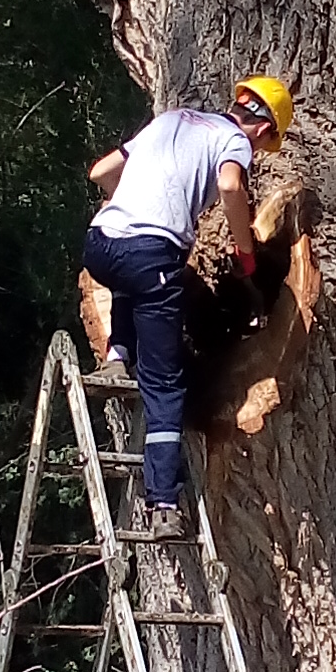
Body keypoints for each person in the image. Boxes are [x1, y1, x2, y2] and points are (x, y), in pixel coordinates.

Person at [84, 77, 293, 514]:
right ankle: (163, 504)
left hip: (101, 245)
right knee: (164, 385)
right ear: (263, 130)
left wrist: (136, 204)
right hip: (150, 254)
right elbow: (233, 187)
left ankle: (118, 355)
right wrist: (244, 253)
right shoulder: (234, 140)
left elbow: (101, 173)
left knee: (132, 279)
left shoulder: (171, 120)